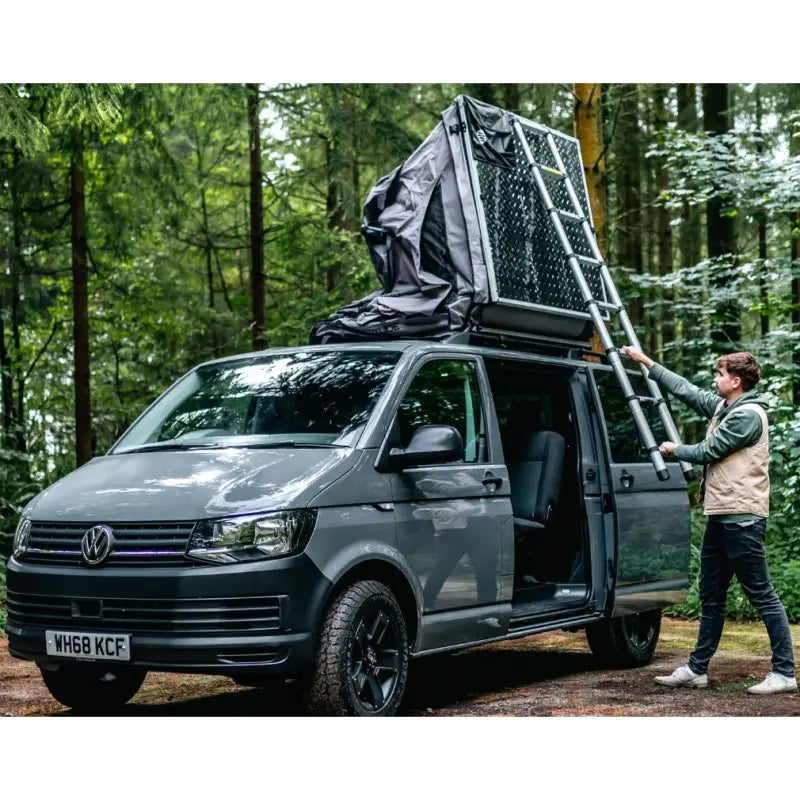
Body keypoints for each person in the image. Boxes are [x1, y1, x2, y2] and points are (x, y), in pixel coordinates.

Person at [621, 346, 796, 695]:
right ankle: (697, 669)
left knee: (762, 596)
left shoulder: (747, 415)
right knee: (712, 597)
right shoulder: (725, 406)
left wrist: (675, 449)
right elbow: (687, 391)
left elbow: (710, 450)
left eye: (719, 374)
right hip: (720, 515)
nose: (715, 380)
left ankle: (785, 672)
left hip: (742, 519)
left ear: (736, 381)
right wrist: (647, 362)